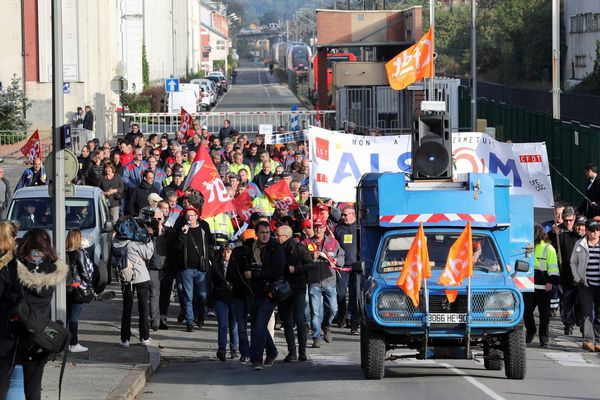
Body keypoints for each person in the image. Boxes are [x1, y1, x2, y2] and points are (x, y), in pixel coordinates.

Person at [0, 225, 67, 399]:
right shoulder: (52, 272)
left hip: (10, 337)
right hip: (38, 338)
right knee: (33, 388)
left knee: (3, 385)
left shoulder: (12, 269)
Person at [244, 220, 285, 370]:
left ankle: (256, 360)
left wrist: (255, 274)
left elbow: (277, 271)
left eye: (267, 232)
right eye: (262, 233)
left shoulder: (275, 248)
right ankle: (272, 351)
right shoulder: (251, 247)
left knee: (259, 327)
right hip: (255, 292)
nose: (265, 235)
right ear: (257, 234)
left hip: (270, 293)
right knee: (257, 325)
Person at [303, 217, 345, 348]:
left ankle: (326, 326)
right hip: (314, 281)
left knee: (333, 309)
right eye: (315, 227)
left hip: (329, 281)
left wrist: (337, 260)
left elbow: (341, 256)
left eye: (320, 227)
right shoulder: (306, 243)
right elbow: (299, 259)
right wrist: (310, 256)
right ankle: (316, 336)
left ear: (325, 227)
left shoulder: (333, 242)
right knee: (315, 312)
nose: (317, 229)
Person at [113, 217, 155, 347]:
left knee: (127, 309)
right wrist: (148, 238)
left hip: (126, 278)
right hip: (141, 277)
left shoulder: (115, 243)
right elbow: (148, 254)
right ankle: (144, 337)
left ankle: (125, 339)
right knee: (143, 308)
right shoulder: (134, 243)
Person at [276, 225, 313, 362]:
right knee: (286, 321)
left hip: (298, 288)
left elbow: (310, 265)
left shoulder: (299, 247)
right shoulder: (277, 249)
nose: (276, 237)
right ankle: (292, 352)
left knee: (299, 319)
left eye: (278, 235)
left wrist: (296, 269)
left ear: (285, 236)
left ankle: (302, 351)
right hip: (283, 289)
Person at [176, 205, 214, 332]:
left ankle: (201, 315)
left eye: (192, 215)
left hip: (201, 268)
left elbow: (209, 244)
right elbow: (177, 248)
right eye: (188, 215)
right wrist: (183, 233)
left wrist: (210, 259)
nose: (190, 217)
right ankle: (190, 321)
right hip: (186, 268)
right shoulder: (182, 230)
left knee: (202, 295)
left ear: (197, 216)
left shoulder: (204, 228)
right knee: (188, 296)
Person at [524, 225, 559, 348]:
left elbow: (553, 267)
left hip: (544, 287)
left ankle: (544, 338)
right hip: (529, 286)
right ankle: (531, 331)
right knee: (526, 311)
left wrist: (551, 281)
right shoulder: (528, 246)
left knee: (544, 315)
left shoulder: (549, 248)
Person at [570, 218, 600, 351]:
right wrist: (578, 278)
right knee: (587, 312)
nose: (595, 232)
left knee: (599, 313)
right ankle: (588, 340)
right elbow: (573, 263)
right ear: (587, 231)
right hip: (585, 284)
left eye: (597, 230)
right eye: (592, 230)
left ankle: (598, 341)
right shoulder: (580, 244)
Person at [66, 228, 94, 353]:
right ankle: (74, 343)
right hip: (77, 286)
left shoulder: (65, 251)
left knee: (66, 316)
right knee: (74, 317)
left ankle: (65, 342)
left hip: (66, 287)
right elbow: (83, 271)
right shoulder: (79, 252)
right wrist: (89, 284)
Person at [210, 245, 240, 361]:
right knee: (223, 324)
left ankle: (234, 349)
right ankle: (221, 349)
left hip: (233, 297)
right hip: (220, 297)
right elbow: (211, 282)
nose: (226, 255)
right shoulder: (216, 265)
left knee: (233, 325)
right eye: (224, 252)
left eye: (228, 252)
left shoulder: (236, 264)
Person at [334, 205, 360, 334]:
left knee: (355, 295)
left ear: (353, 214)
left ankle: (354, 323)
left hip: (356, 267)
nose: (343, 217)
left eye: (345, 215)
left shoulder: (359, 228)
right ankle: (342, 316)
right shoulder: (338, 229)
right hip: (342, 267)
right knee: (340, 294)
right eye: (342, 215)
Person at [559, 215, 586, 335]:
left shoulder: (589, 240)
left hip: (584, 280)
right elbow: (552, 242)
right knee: (567, 303)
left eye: (583, 226)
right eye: (578, 225)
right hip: (568, 278)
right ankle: (568, 325)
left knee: (582, 304)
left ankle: (583, 326)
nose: (580, 228)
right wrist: (553, 232)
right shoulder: (565, 236)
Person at [146, 209, 172, 331]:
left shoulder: (169, 232)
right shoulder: (147, 233)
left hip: (167, 269)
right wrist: (151, 234)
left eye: (159, 219)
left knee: (165, 296)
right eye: (154, 219)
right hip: (153, 268)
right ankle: (155, 320)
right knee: (154, 295)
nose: (157, 221)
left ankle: (163, 318)